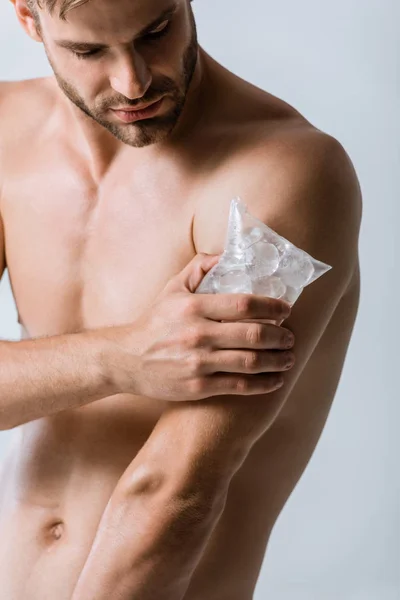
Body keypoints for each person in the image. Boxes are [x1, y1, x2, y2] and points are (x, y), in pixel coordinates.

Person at [0, 0, 362, 598]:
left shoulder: (282, 170)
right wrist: (123, 358)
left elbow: (173, 496)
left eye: (156, 32)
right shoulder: (7, 132)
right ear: (28, 19)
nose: (133, 81)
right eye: (89, 51)